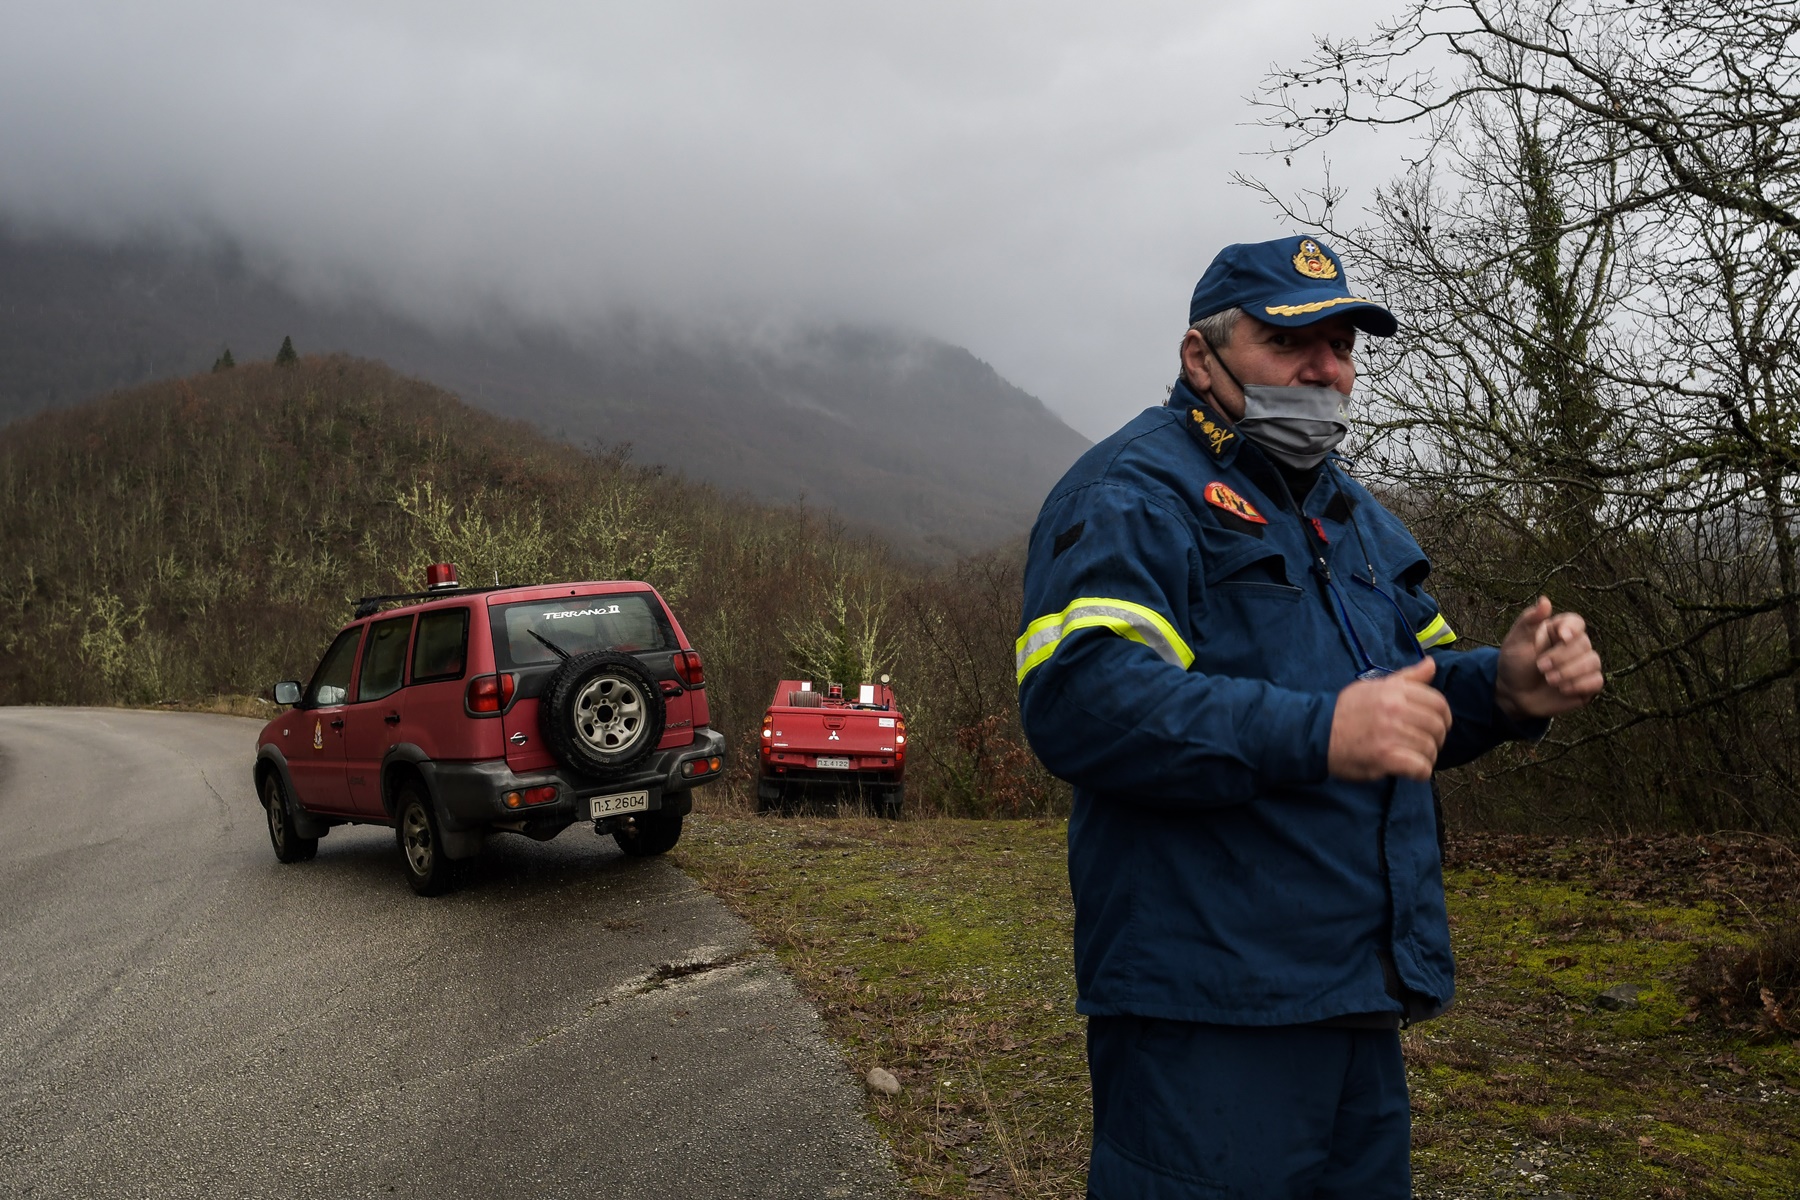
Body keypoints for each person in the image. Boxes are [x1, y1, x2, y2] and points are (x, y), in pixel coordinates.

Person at [1015, 235, 1604, 1199]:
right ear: (1200, 356)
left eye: (1342, 344)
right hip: (1208, 1007)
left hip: (1358, 995)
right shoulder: (1131, 490)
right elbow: (1083, 698)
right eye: (1290, 340)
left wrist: (1503, 688)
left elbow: (1415, 695)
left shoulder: (1356, 517)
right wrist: (1319, 730)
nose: (1324, 368)